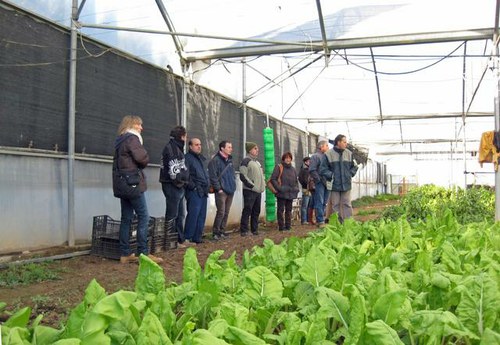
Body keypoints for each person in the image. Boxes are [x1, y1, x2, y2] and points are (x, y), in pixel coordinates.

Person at [112, 115, 163, 264]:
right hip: (133, 183)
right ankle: (143, 253)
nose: (141, 128)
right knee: (143, 217)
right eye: (139, 125)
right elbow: (142, 158)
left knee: (126, 218)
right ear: (132, 125)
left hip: (121, 184)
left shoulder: (119, 140)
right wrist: (144, 160)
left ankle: (125, 253)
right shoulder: (132, 139)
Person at [159, 125, 190, 247]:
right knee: (172, 215)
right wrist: (180, 183)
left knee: (180, 214)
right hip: (173, 186)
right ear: (182, 136)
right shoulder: (172, 149)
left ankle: (179, 240)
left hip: (178, 186)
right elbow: (174, 171)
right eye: (185, 136)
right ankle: (170, 241)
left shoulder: (176, 148)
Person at [323, 134, 359, 223]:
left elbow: (355, 166)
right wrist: (331, 175)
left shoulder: (349, 154)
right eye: (344, 142)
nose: (346, 144)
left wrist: (349, 174)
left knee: (347, 204)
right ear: (338, 142)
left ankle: (348, 222)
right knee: (335, 205)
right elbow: (323, 169)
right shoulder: (328, 154)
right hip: (334, 184)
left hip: (346, 184)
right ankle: (337, 223)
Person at [208, 140, 237, 241]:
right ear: (222, 148)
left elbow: (232, 174)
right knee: (221, 211)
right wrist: (218, 188)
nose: (231, 149)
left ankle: (222, 231)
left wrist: (233, 184)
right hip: (221, 191)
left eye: (231, 147)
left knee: (226, 212)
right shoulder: (215, 160)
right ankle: (215, 232)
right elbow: (213, 176)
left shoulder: (230, 160)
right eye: (229, 147)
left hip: (230, 189)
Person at [184, 138, 210, 244]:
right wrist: (193, 187)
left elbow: (204, 174)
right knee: (193, 214)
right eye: (196, 144)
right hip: (194, 191)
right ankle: (187, 237)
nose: (199, 146)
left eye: (200, 144)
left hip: (203, 191)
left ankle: (197, 237)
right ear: (190, 146)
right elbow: (186, 175)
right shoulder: (187, 158)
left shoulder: (200, 159)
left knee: (201, 215)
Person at [239, 141, 266, 236]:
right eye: (255, 148)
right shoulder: (246, 161)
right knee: (247, 210)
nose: (257, 150)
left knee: (256, 211)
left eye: (257, 148)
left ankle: (255, 230)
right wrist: (252, 185)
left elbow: (261, 176)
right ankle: (244, 230)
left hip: (258, 191)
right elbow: (243, 175)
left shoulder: (257, 163)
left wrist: (263, 184)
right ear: (250, 150)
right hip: (249, 191)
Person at [270, 152, 299, 231]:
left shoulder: (293, 169)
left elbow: (296, 181)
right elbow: (273, 179)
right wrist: (279, 188)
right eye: (286, 158)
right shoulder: (279, 167)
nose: (288, 159)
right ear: (283, 159)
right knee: (280, 210)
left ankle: (288, 226)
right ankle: (281, 227)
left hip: (291, 193)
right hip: (281, 193)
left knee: (289, 210)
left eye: (289, 158)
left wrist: (296, 189)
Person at [308, 140, 330, 228]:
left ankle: (322, 218)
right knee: (319, 201)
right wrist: (318, 180)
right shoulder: (315, 156)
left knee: (324, 202)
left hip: (327, 182)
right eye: (326, 146)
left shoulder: (327, 156)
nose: (328, 147)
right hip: (320, 183)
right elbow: (312, 169)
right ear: (321, 147)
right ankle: (320, 220)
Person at [298, 156, 312, 225]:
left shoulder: (311, 169)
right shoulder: (303, 170)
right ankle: (304, 220)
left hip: (311, 189)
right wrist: (305, 184)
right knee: (305, 205)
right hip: (306, 189)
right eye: (309, 161)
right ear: (305, 162)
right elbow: (300, 179)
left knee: (309, 205)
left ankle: (308, 219)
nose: (310, 162)